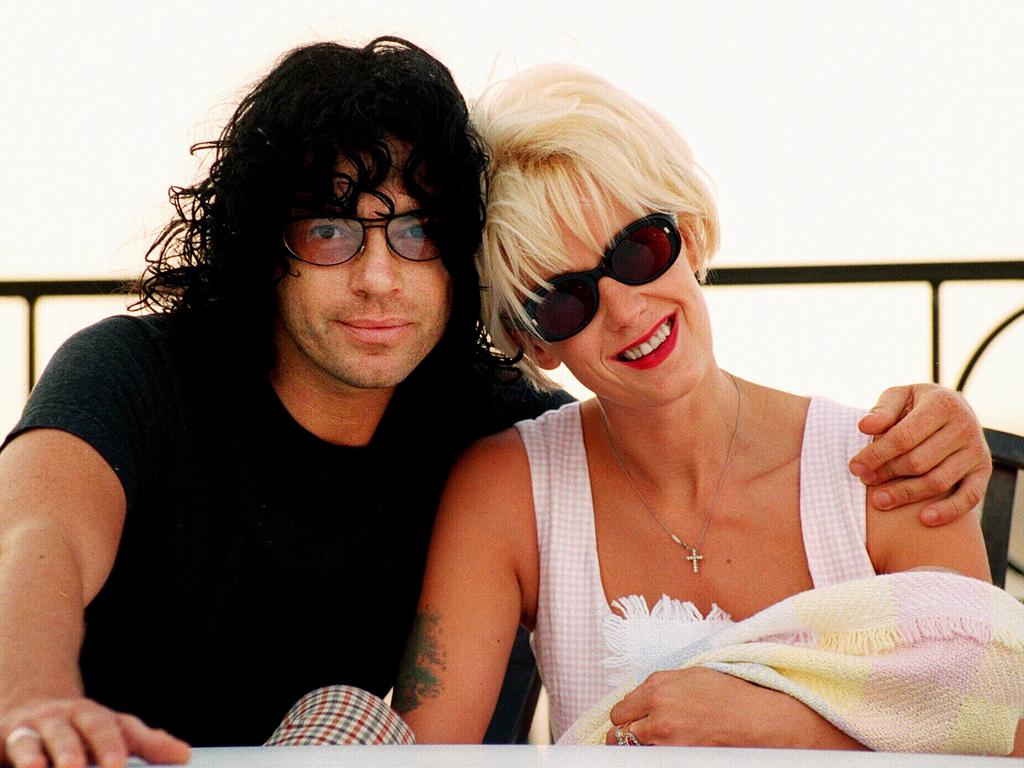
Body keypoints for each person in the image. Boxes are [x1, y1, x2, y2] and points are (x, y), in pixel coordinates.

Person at [0, 39, 991, 768]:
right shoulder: (139, 373)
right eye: (333, 232)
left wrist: (952, 431)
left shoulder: (877, 461)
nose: (379, 279)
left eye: (420, 235)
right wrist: (33, 701)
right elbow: (31, 540)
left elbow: (996, 706)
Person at [394, 63, 1022, 753]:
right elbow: (426, 759)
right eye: (565, 297)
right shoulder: (507, 492)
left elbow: (1001, 735)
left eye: (639, 250)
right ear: (534, 343)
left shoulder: (889, 465)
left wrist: (772, 725)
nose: (626, 310)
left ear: (689, 234)